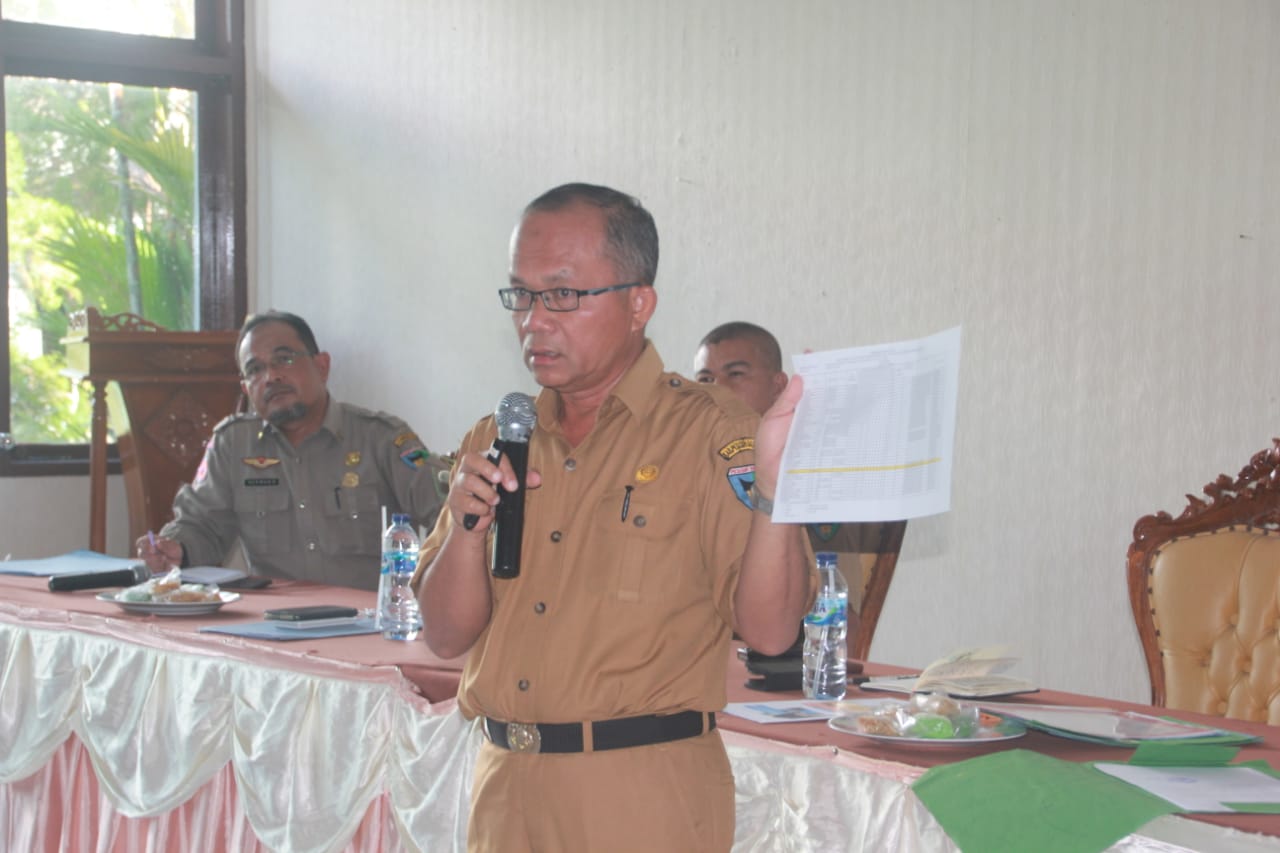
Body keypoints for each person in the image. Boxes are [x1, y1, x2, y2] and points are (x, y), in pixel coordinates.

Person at [414, 183, 815, 852]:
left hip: (639, 797)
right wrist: (464, 531)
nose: (534, 321)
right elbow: (445, 635)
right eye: (522, 295)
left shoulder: (712, 435)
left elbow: (772, 633)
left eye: (563, 294)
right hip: (505, 790)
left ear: (638, 303)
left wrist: (778, 494)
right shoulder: (498, 437)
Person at [135, 311, 449, 590]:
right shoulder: (232, 445)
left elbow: (450, 512)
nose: (271, 377)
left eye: (284, 359)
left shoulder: (383, 438)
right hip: (272, 625)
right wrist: (176, 548)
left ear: (322, 366)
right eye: (255, 369)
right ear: (246, 390)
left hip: (371, 622)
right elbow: (201, 526)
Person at [695, 321, 883, 649]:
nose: (718, 389)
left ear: (778, 386)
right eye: (705, 379)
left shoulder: (809, 476)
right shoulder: (690, 465)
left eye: (735, 374)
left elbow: (838, 615)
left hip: (779, 656)